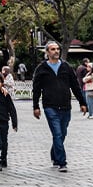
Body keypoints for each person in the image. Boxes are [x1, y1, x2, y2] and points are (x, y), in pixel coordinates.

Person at [32, 41, 87, 173]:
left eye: (57, 49)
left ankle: (55, 156)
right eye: (52, 49)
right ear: (47, 52)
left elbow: (75, 86)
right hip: (50, 106)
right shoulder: (42, 68)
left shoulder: (66, 66)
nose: (56, 51)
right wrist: (36, 106)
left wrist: (82, 102)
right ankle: (62, 162)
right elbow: (36, 89)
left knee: (62, 134)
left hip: (65, 106)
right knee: (57, 133)